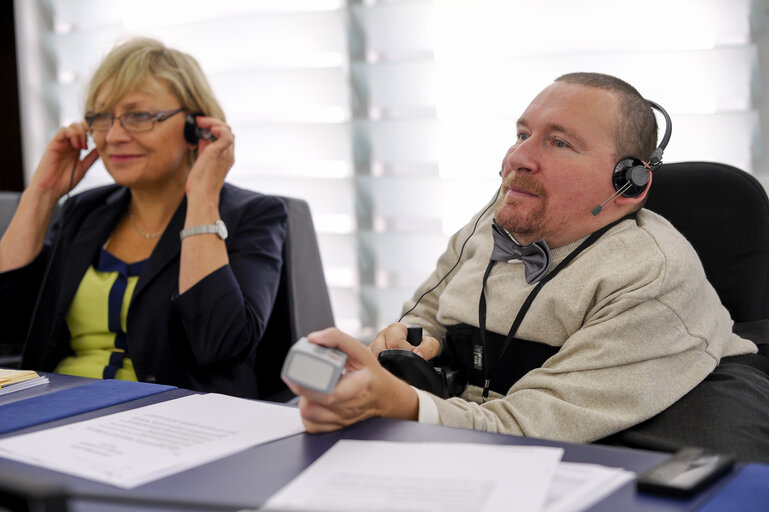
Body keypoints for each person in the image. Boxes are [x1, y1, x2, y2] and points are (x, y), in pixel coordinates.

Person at [285, 72, 769, 462]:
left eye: (559, 143)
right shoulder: (495, 223)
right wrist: (409, 339)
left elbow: (527, 430)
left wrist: (403, 405)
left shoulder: (650, 277)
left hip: (647, 434)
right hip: (502, 427)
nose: (516, 159)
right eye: (522, 135)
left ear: (630, 182)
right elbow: (427, 312)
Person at [0, 37, 288, 398]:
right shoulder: (85, 211)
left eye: (139, 116)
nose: (115, 136)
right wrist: (41, 193)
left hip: (173, 419)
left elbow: (221, 344)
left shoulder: (253, 215)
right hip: (56, 406)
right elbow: (5, 324)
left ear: (196, 126)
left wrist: (202, 197)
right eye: (101, 117)